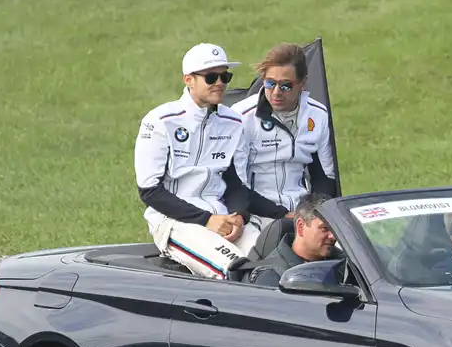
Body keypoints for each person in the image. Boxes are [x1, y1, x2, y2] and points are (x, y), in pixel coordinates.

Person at [135, 42, 290, 279]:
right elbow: (149, 191)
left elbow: (234, 183)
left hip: (222, 217)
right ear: (188, 80)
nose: (219, 83)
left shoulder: (233, 122)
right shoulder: (160, 121)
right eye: (210, 77)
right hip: (175, 222)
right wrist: (207, 220)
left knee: (278, 265)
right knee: (236, 270)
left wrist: (238, 215)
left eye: (224, 76)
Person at [231, 43, 337, 230]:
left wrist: (314, 213)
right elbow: (236, 185)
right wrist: (280, 214)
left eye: (286, 86)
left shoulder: (318, 115)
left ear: (302, 84)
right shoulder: (241, 117)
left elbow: (325, 177)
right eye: (270, 83)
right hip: (257, 215)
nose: (276, 92)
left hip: (303, 213)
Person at [241, 193, 342, 287]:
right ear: (301, 226)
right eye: (325, 229)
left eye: (334, 229)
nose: (333, 236)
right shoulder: (272, 278)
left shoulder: (343, 263)